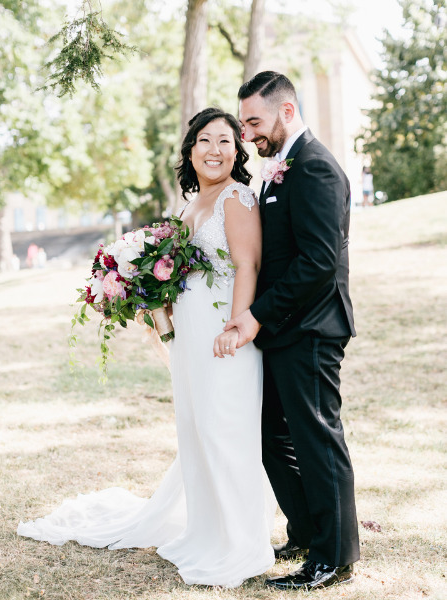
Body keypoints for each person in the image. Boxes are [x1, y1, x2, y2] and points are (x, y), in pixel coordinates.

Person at [17, 108, 275, 588]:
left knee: (226, 432)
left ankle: (241, 544)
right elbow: (178, 273)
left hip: (226, 334)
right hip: (192, 336)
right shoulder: (191, 204)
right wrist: (141, 297)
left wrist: (238, 327)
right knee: (197, 431)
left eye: (224, 141)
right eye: (204, 141)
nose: (214, 150)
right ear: (190, 150)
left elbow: (246, 265)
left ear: (238, 149)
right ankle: (208, 531)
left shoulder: (237, 198)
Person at [225, 71, 360, 591]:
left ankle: (334, 555)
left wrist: (256, 314)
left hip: (311, 328)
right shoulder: (279, 166)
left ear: (286, 111)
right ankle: (305, 530)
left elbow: (319, 263)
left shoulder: (317, 169)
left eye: (253, 122)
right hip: (281, 330)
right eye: (242, 124)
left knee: (317, 440)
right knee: (270, 436)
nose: (247, 135)